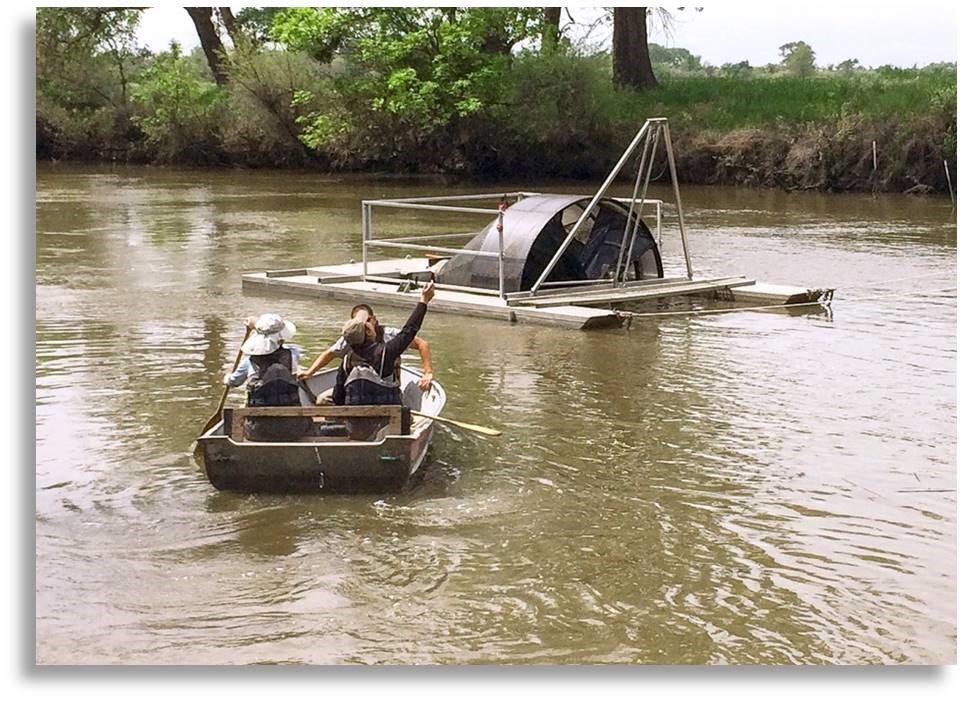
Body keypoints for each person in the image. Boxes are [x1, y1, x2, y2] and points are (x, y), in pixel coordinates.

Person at [339, 282, 435, 438]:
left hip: (356, 427)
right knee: (405, 414)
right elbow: (409, 330)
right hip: (386, 423)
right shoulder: (385, 353)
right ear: (369, 334)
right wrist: (423, 301)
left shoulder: (346, 360)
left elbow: (338, 397)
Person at [298, 302, 435, 394]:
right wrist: (310, 371)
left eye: (368, 320)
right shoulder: (350, 338)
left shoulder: (389, 337)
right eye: (360, 323)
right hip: (358, 391)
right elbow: (330, 353)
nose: (365, 325)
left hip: (384, 389)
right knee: (322, 400)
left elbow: (421, 343)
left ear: (374, 319)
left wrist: (427, 372)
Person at [224, 313, 311, 442]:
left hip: (257, 431)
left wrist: (226, 378)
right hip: (293, 429)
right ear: (281, 338)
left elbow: (233, 382)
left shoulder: (249, 361)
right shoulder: (293, 355)